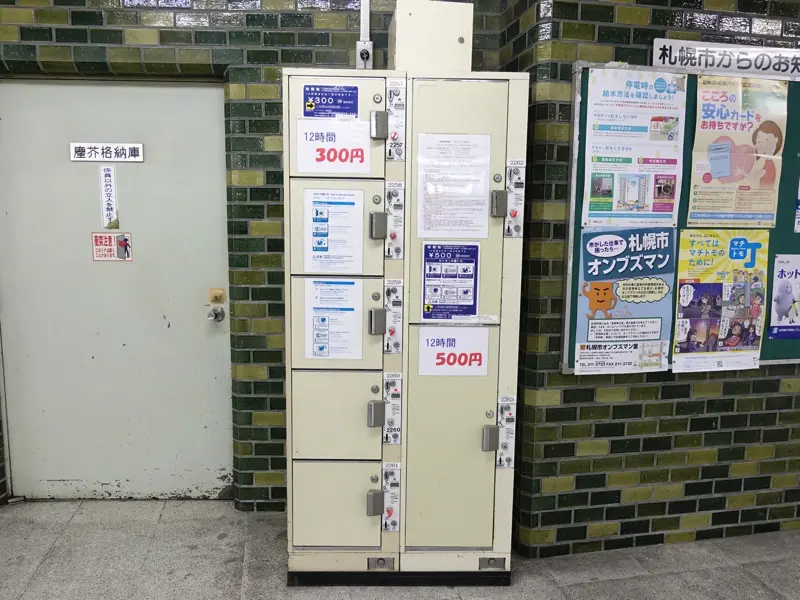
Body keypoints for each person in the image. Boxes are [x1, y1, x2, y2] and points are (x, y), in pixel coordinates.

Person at [736, 120, 783, 189]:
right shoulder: (763, 161)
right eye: (759, 137)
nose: (760, 142)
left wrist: (742, 172)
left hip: (765, 195)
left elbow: (754, 179)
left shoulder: (768, 165)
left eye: (766, 139)